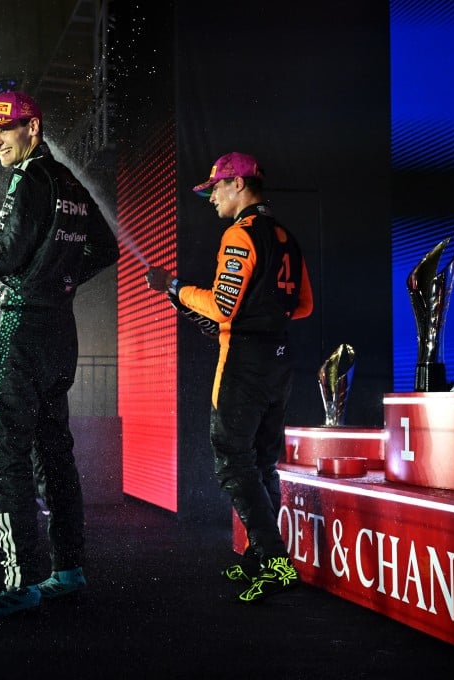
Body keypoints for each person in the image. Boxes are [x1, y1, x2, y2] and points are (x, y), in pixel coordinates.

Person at [0, 91, 119, 615]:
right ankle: (69, 570)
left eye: (4, 129)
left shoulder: (29, 177)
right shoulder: (69, 181)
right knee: (55, 453)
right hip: (61, 331)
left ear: (34, 129)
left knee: (5, 457)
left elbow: (6, 254)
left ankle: (20, 585)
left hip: (25, 331)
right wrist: (60, 278)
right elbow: (106, 249)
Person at [145, 151, 314, 602]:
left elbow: (222, 306)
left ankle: (275, 560)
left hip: (243, 364)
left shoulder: (240, 235)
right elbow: (303, 307)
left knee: (232, 461)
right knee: (261, 463)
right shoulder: (286, 236)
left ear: (239, 185)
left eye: (216, 187)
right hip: (279, 361)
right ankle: (263, 558)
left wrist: (176, 289)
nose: (212, 196)